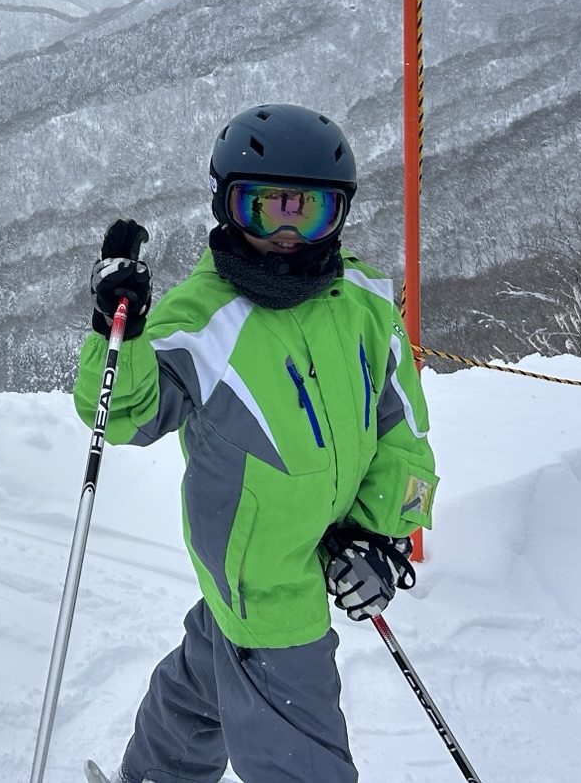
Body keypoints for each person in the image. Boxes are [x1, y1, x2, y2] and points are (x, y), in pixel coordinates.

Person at [77, 104, 438, 783]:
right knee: (303, 763)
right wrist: (114, 332)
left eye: (311, 211)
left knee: (204, 682)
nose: (286, 234)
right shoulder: (202, 318)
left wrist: (384, 539)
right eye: (262, 208)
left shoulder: (361, 302)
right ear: (225, 206)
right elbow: (125, 414)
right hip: (265, 589)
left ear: (341, 216)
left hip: (286, 568)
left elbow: (404, 432)